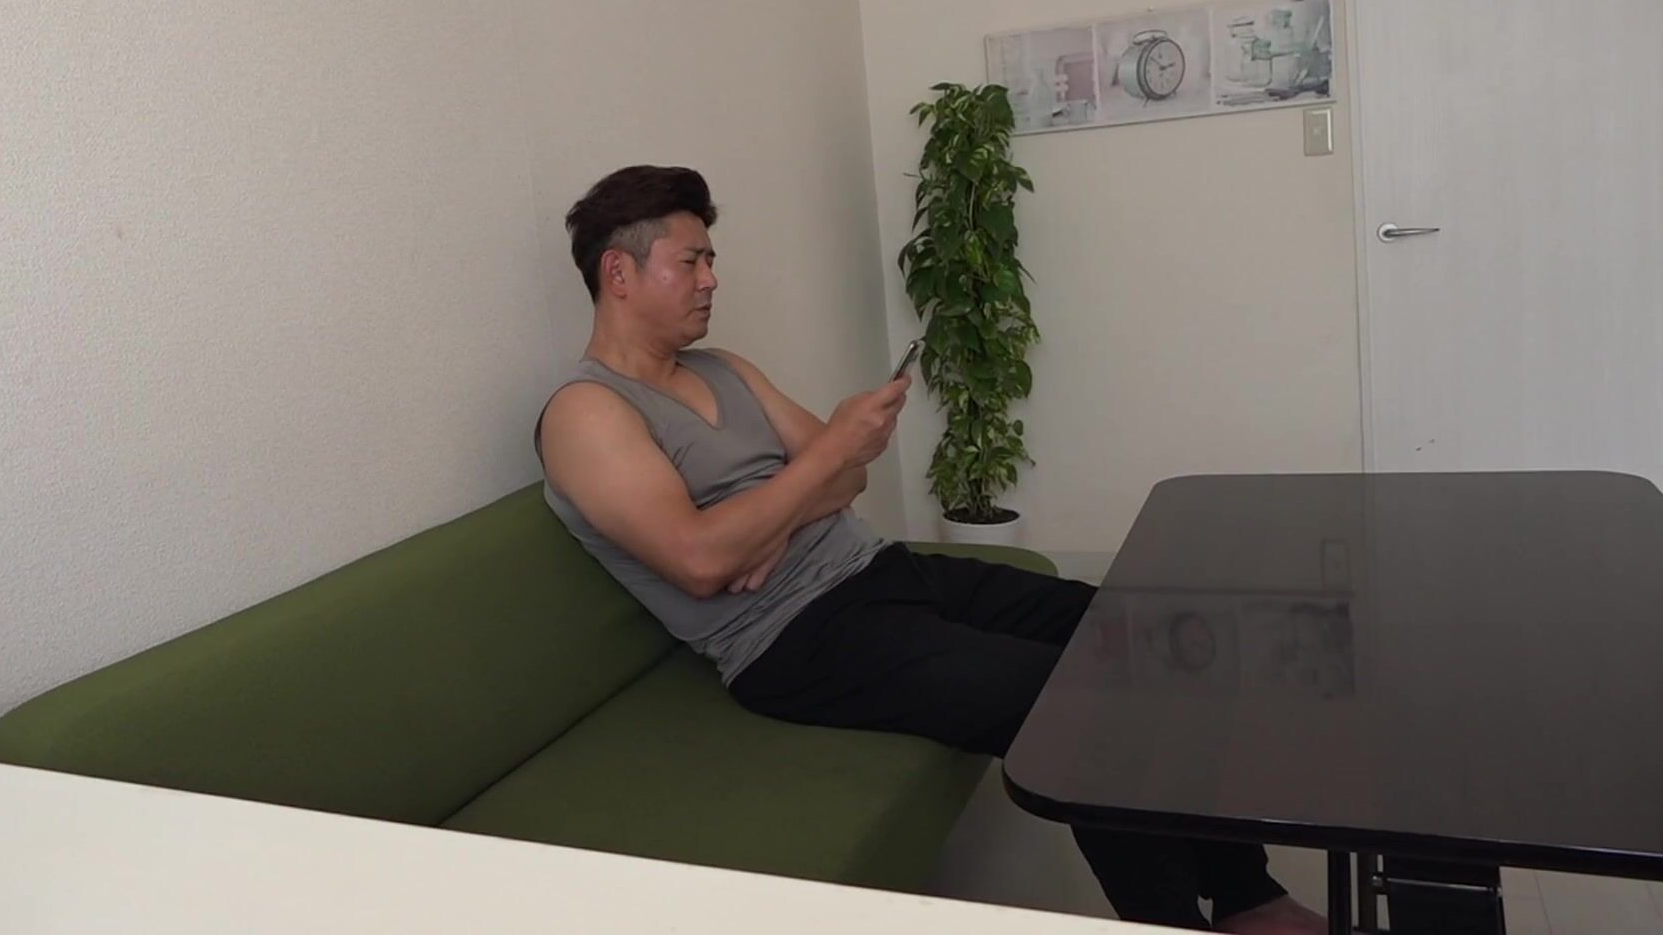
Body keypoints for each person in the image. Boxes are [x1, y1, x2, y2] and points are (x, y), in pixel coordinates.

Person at [534, 165, 1325, 933]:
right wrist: (810, 473)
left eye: (711, 259)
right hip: (793, 642)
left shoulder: (724, 369)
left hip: (880, 570)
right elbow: (703, 560)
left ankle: (1247, 897)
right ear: (619, 273)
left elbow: (849, 479)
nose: (711, 279)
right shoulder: (587, 413)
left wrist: (768, 518)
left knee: (1139, 635)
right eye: (690, 262)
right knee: (1081, 710)